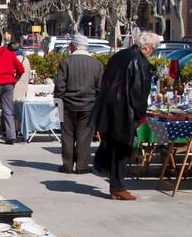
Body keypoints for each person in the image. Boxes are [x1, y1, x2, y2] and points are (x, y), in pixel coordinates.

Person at [91, 30, 158, 201]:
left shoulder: (120, 55)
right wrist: (140, 114)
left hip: (109, 107)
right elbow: (138, 92)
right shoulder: (139, 61)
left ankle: (116, 187)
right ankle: (118, 186)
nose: (152, 53)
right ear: (148, 48)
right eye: (154, 49)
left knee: (113, 147)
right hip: (124, 111)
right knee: (122, 149)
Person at [54, 34, 104, 174]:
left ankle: (67, 166)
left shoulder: (66, 63)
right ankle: (82, 166)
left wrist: (58, 100)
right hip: (89, 106)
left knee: (67, 135)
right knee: (85, 136)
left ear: (74, 46)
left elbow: (60, 85)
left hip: (66, 105)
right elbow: (100, 88)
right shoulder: (97, 65)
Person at [0, 30, 24, 145]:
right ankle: (11, 135)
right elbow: (21, 69)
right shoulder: (10, 54)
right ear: (1, 39)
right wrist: (14, 80)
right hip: (8, 84)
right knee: (8, 110)